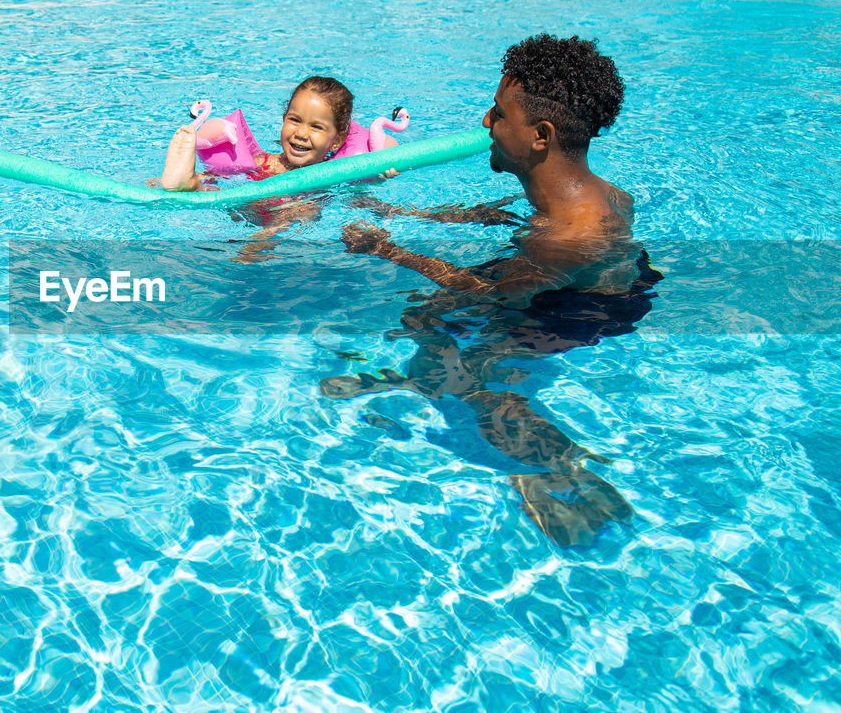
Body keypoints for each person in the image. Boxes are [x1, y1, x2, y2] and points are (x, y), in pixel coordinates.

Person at [323, 34, 659, 546]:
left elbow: (492, 294)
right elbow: (518, 227)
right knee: (430, 311)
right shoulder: (591, 195)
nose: (485, 122)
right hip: (590, 275)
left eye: (499, 114)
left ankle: (558, 470)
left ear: (541, 135)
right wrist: (407, 213)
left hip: (574, 309)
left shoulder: (569, 235)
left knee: (474, 372)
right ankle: (422, 379)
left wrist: (388, 250)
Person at [159, 76, 399, 261]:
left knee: (303, 210)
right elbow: (228, 176)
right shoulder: (262, 160)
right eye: (294, 120)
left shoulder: (336, 174)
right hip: (247, 203)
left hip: (281, 211)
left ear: (336, 141)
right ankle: (186, 182)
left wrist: (380, 177)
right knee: (214, 188)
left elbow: (363, 200)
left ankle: (255, 237)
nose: (301, 133)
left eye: (316, 127)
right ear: (284, 118)